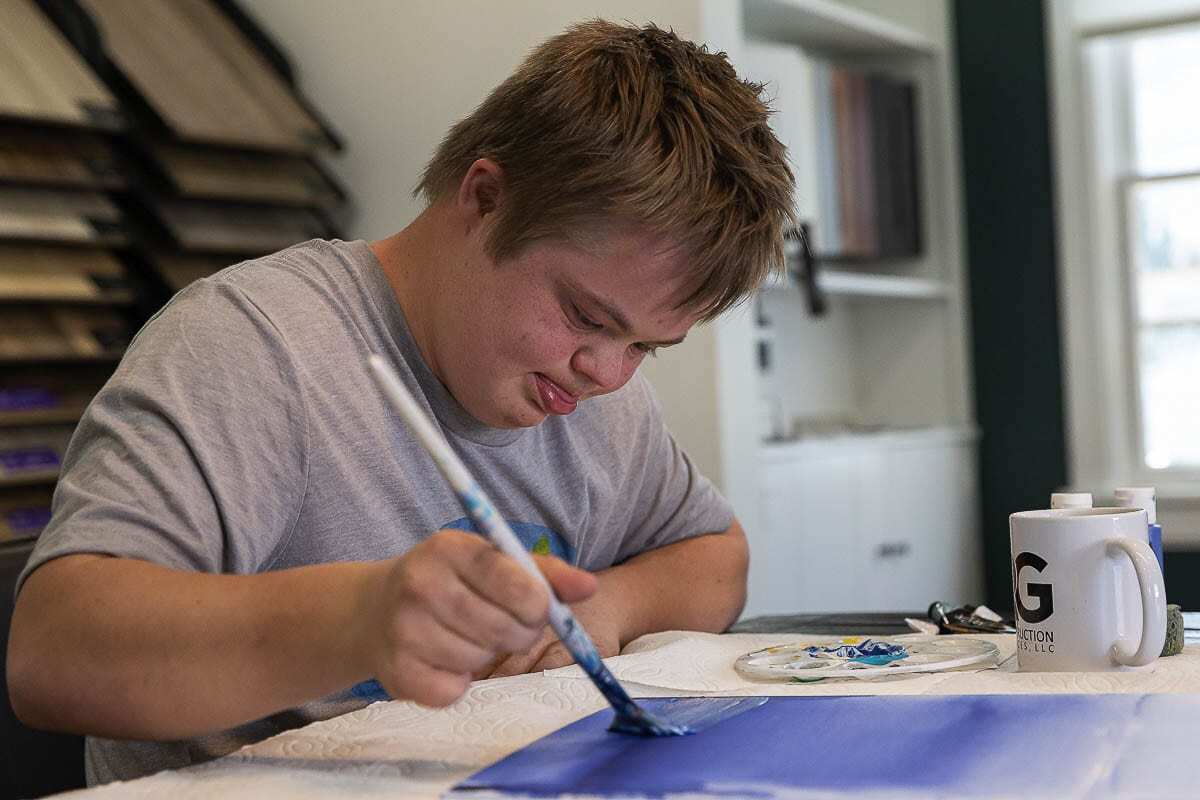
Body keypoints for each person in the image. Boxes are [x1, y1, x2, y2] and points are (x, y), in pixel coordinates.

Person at [7, 19, 794, 785]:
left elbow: (716, 555)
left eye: (646, 347)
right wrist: (359, 621)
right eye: (589, 317)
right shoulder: (255, 347)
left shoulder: (593, 393)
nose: (609, 374)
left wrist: (615, 604)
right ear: (485, 199)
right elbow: (53, 653)